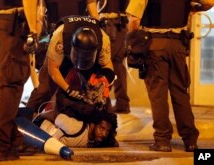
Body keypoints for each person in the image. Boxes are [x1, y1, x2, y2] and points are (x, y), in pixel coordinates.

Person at [125, 0, 213, 152]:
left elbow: (134, 19)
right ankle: (190, 141)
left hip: (155, 45)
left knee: (158, 95)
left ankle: (162, 141)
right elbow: (209, 3)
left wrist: (132, 38)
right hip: (178, 45)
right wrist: (192, 8)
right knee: (180, 93)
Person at [0, 0, 40, 162]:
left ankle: (13, 139)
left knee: (3, 83)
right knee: (11, 84)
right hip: (12, 24)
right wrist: (33, 31)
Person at [27, 15, 115, 115]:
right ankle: (26, 118)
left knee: (100, 98)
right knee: (45, 89)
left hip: (92, 61)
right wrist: (68, 89)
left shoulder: (103, 40)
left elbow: (108, 66)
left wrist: (103, 83)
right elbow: (53, 69)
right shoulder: (60, 36)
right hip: (63, 55)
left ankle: (103, 121)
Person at [87, 0, 131, 114]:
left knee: (105, 64)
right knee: (118, 65)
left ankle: (104, 104)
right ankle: (122, 103)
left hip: (109, 25)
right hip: (121, 26)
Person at [37, 110, 118, 148]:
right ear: (93, 125)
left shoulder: (96, 141)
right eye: (101, 128)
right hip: (38, 128)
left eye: (107, 131)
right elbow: (54, 114)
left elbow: (114, 143)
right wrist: (35, 117)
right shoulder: (75, 127)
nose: (104, 134)